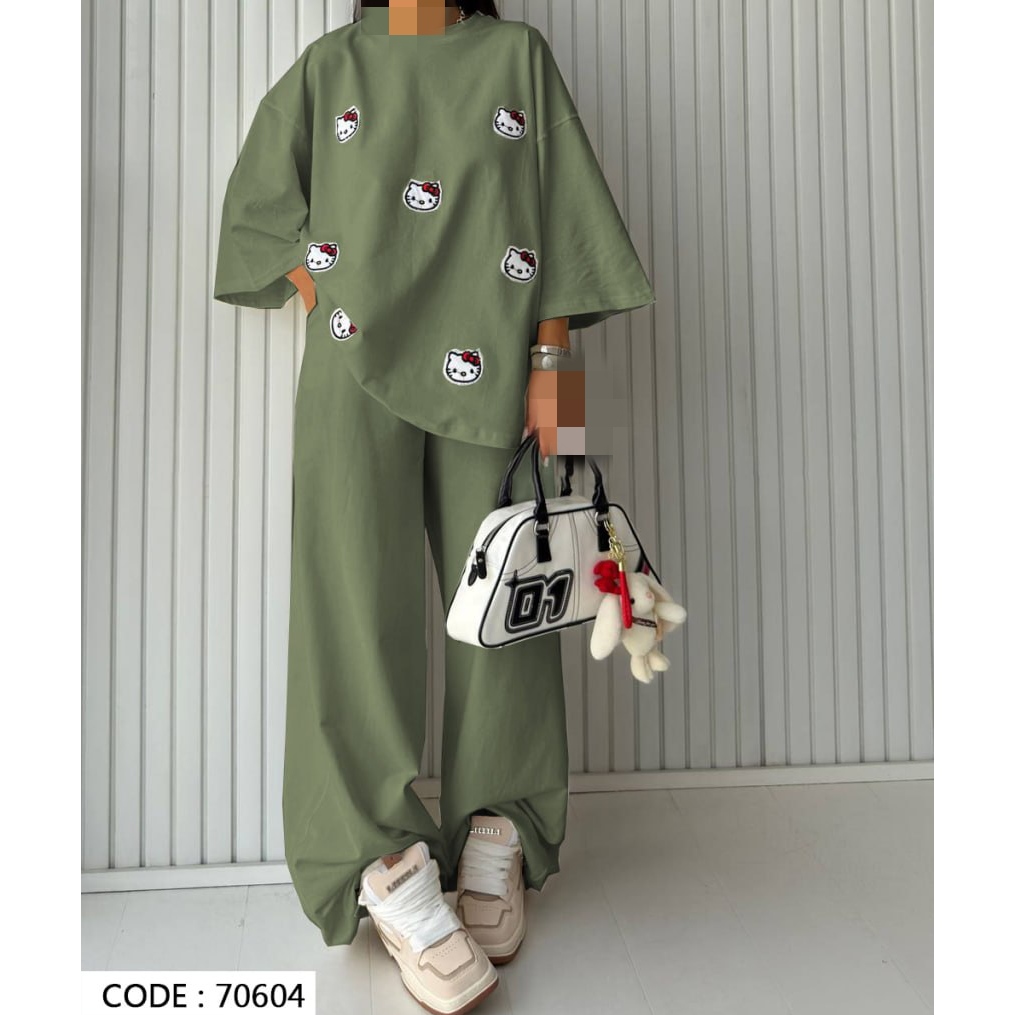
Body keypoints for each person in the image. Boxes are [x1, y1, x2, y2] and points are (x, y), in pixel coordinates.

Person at [213, 1, 655, 1011]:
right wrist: (322, 286)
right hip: (350, 372)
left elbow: (561, 223)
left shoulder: (516, 57)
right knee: (348, 610)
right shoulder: (329, 67)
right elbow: (257, 210)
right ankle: (374, 856)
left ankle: (499, 823)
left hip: (496, 367)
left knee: (507, 596)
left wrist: (558, 384)